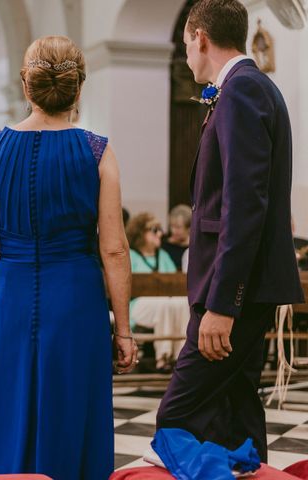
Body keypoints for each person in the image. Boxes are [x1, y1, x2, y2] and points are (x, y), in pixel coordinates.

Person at [0, 36, 135, 479]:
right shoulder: (97, 151)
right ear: (79, 88)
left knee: (6, 402)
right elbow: (113, 248)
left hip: (11, 295)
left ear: (26, 86)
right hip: (76, 297)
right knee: (71, 404)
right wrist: (125, 329)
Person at [156, 0, 304, 463]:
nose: (186, 57)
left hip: (235, 292)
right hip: (244, 287)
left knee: (174, 416)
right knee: (236, 410)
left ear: (200, 36)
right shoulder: (250, 88)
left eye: (185, 45)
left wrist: (224, 304)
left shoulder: (241, 91)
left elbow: (244, 206)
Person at [126, 213, 188, 371]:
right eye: (154, 229)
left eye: (160, 229)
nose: (160, 233)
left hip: (165, 304)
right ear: (141, 233)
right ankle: (164, 357)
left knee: (181, 303)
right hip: (138, 306)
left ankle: (182, 356)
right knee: (163, 304)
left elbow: (175, 285)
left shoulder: (164, 256)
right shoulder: (131, 256)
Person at [162, 204, 192, 271]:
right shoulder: (164, 247)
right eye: (171, 226)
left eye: (178, 227)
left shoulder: (193, 248)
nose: (173, 231)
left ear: (189, 228)